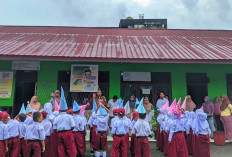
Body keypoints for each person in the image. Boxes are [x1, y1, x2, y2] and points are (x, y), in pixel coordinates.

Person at [53, 87, 77, 157]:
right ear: (67, 110)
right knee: (70, 148)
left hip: (59, 133)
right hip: (68, 133)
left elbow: (54, 128)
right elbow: (73, 126)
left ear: (59, 110)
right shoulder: (69, 116)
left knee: (61, 148)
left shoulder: (57, 118)